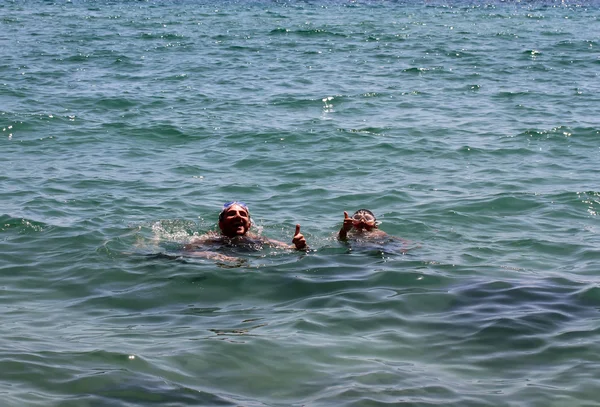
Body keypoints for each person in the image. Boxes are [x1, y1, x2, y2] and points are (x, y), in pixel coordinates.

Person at [185, 201, 307, 262]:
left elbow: (290, 249)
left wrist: (300, 246)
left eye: (242, 214)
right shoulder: (210, 239)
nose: (238, 216)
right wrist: (214, 255)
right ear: (221, 224)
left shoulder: (258, 240)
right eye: (232, 213)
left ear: (249, 224)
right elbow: (186, 253)